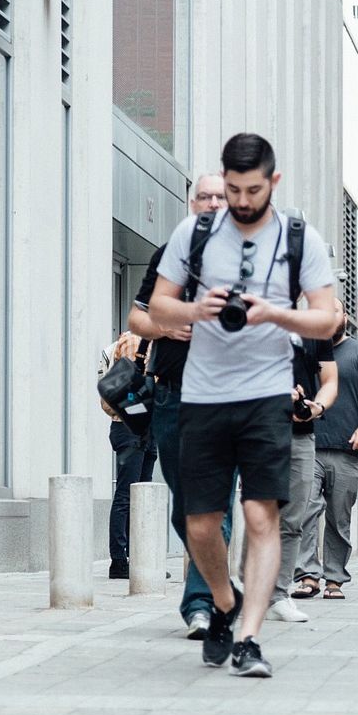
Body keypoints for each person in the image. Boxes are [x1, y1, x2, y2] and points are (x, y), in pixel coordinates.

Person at [148, 132, 337, 676]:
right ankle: (225, 605)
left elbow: (328, 318)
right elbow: (157, 305)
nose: (241, 200)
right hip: (203, 395)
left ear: (272, 182)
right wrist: (195, 311)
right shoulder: (197, 232)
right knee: (200, 523)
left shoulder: (300, 237)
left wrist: (275, 314)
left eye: (252, 189)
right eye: (232, 189)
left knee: (260, 515)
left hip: (266, 394)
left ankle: (249, 638)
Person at [130, 173, 239, 639]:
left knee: (215, 505)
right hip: (173, 394)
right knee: (185, 507)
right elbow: (137, 316)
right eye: (205, 197)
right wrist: (165, 327)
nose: (213, 203)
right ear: (192, 203)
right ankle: (218, 583)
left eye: (221, 197)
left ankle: (201, 603)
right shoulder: (170, 255)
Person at [292, 299, 358, 600]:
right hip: (307, 444)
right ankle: (308, 575)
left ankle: (334, 578)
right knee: (304, 511)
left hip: (347, 449)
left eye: (333, 311)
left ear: (344, 316)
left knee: (338, 517)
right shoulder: (303, 351)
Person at [262, 329, 337, 622]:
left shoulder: (313, 328)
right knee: (261, 515)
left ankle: (279, 596)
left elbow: (330, 381)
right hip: (260, 430)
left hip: (302, 436)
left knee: (293, 520)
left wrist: (317, 406)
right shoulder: (253, 320)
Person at [98, 332, 158, 580]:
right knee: (127, 494)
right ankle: (119, 561)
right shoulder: (137, 341)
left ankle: (137, 559)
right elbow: (132, 388)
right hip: (131, 426)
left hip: (141, 427)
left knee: (140, 496)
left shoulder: (149, 341)